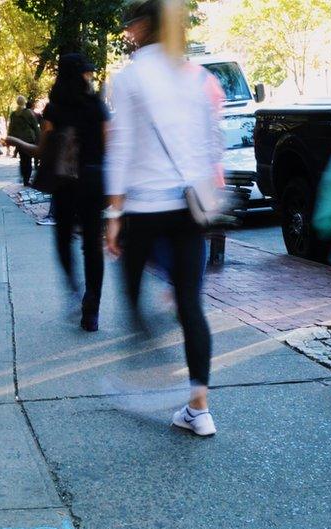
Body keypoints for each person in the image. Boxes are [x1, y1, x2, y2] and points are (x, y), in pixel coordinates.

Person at [104, 0, 224, 436]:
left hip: (145, 209)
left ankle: (152, 360)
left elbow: (122, 148)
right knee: (192, 304)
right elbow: (211, 145)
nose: (128, 31)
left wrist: (114, 212)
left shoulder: (132, 77)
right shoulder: (198, 77)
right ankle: (200, 407)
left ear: (143, 27)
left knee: (132, 295)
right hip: (188, 207)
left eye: (132, 24)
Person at [8, 53, 109, 332]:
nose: (90, 77)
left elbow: (41, 151)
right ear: (82, 75)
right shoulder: (97, 106)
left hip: (64, 184)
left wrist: (15, 140)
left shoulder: (53, 110)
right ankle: (92, 310)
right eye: (87, 73)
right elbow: (110, 145)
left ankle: (76, 291)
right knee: (92, 246)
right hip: (92, 182)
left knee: (63, 241)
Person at [8, 95, 41, 186]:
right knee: (28, 159)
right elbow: (35, 127)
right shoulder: (28, 113)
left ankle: (24, 176)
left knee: (23, 159)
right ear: (24, 102)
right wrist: (39, 138)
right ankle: (26, 179)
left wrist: (10, 137)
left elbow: (11, 127)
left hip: (18, 140)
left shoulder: (13, 114)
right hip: (29, 139)